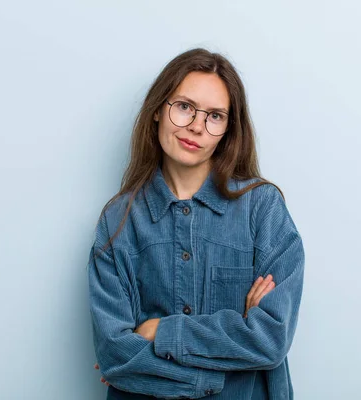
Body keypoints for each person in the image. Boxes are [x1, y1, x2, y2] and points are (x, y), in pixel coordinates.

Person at [87, 48, 305, 399]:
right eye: (185, 106)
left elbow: (270, 340)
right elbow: (116, 357)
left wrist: (161, 332)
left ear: (227, 130)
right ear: (158, 109)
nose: (196, 127)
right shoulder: (119, 221)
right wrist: (220, 370)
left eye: (215, 116)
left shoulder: (263, 209)